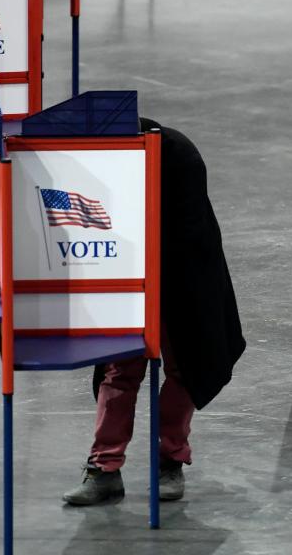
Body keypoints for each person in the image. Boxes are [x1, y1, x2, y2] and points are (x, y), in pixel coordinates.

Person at [63, 120, 246, 506]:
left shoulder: (178, 158)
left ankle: (169, 459)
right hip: (125, 266)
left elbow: (190, 245)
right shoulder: (98, 166)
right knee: (121, 366)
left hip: (181, 268)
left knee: (185, 365)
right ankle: (104, 470)